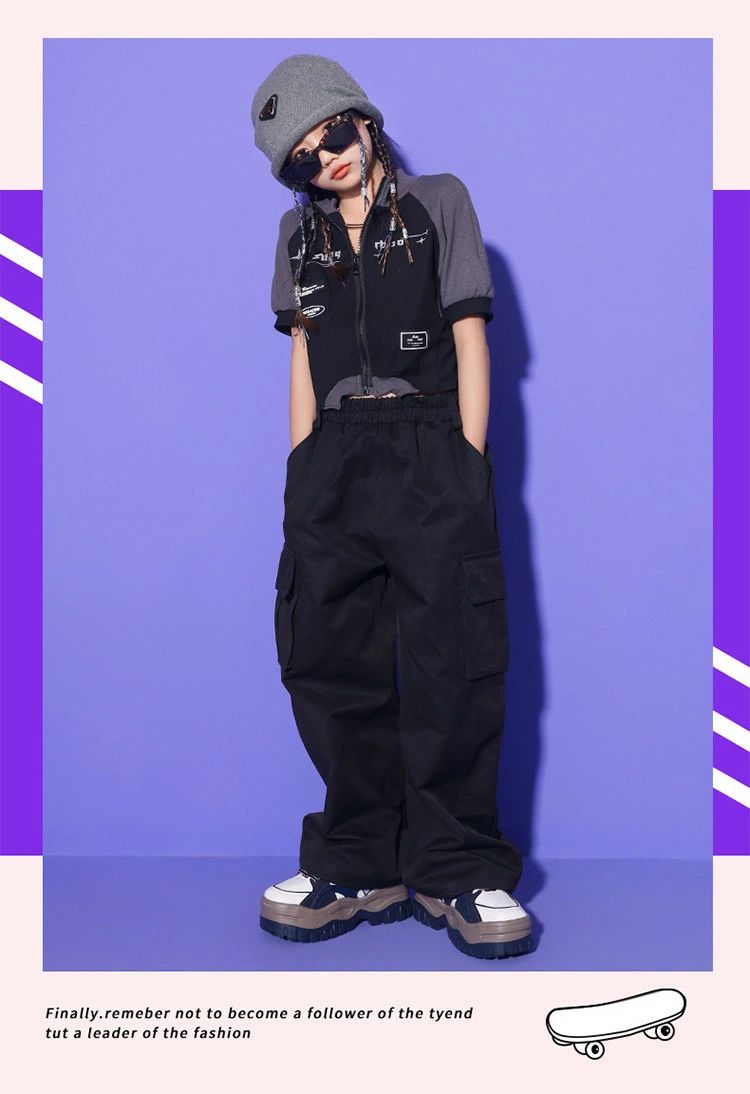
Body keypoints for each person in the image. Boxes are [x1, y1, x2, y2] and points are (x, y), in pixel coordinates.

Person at [250, 53, 532, 960]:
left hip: (430, 446)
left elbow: (470, 333)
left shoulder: (441, 201)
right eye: (301, 157)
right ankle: (358, 859)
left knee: (453, 661)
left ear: (363, 120)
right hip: (333, 456)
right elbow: (302, 353)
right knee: (330, 660)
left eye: (331, 132)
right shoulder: (298, 238)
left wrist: (467, 458)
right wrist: (303, 465)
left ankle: (459, 867)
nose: (324, 156)